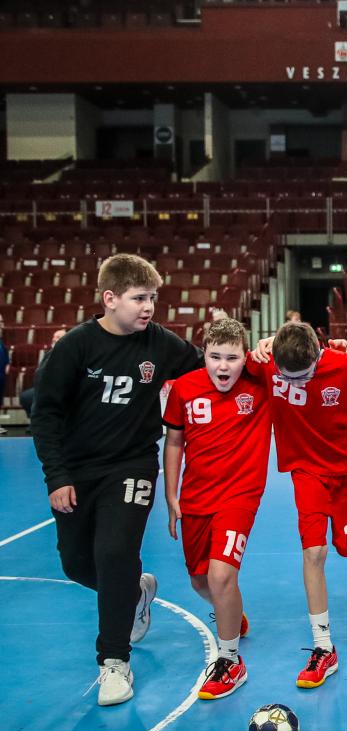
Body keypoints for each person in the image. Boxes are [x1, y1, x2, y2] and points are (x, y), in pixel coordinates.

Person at [31, 254, 203, 706]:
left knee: (114, 553)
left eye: (153, 298)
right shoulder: (75, 347)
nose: (149, 307)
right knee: (75, 564)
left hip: (133, 466)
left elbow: (210, 369)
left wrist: (257, 356)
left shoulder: (161, 344)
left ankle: (113, 662)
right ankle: (136, 590)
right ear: (110, 299)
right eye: (138, 298)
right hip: (77, 471)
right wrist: (57, 476)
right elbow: (45, 415)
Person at [254, 321, 347, 689]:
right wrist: (262, 344)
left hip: (346, 467)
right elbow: (225, 361)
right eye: (287, 378)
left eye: (304, 376)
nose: (295, 383)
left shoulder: (343, 365)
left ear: (318, 357)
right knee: (314, 552)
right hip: (305, 471)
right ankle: (324, 646)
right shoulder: (266, 363)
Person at [162, 318, 270, 699]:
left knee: (221, 576)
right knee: (200, 580)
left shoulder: (259, 383)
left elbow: (289, 356)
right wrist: (171, 495)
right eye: (215, 357)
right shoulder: (184, 388)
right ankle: (231, 613)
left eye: (233, 358)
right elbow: (174, 441)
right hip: (195, 497)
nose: (223, 366)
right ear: (203, 355)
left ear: (245, 356)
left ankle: (230, 661)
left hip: (240, 495)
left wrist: (268, 346)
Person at [20, 328, 69, 417]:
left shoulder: (68, 353)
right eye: (53, 337)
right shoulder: (49, 353)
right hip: (44, 387)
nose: (54, 339)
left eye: (58, 337)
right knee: (26, 397)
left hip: (58, 389)